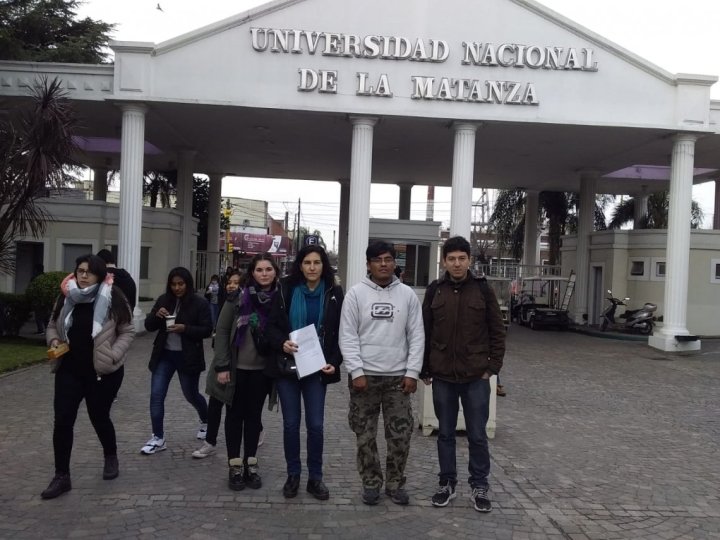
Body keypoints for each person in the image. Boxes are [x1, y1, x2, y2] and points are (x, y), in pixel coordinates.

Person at [421, 236, 506, 513]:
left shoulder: (483, 290)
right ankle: (446, 483)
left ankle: (479, 485)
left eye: (462, 258)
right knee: (445, 433)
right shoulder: (435, 291)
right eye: (451, 258)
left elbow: (497, 330)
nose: (457, 263)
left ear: (469, 260)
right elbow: (425, 330)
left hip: (475, 377)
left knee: (477, 435)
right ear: (444, 261)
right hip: (443, 376)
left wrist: (492, 368)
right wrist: (425, 367)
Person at [42, 254, 135, 499]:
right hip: (69, 370)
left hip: (102, 372)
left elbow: (127, 331)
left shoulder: (114, 296)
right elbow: (53, 323)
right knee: (62, 420)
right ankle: (61, 475)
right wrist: (53, 339)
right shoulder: (66, 295)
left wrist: (114, 355)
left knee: (99, 416)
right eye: (80, 270)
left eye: (89, 271)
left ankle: (110, 455)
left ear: (100, 275)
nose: (83, 275)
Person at [339, 241, 424, 506]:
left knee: (400, 435)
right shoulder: (355, 294)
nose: (384, 264)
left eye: (388, 259)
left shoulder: (407, 295)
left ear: (394, 263)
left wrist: (412, 372)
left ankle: (395, 482)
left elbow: (417, 335)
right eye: (377, 260)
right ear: (368, 264)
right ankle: (371, 482)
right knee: (365, 435)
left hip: (398, 379)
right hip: (364, 378)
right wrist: (356, 370)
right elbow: (348, 336)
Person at [265, 245, 344, 500]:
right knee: (290, 424)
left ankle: (315, 478)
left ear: (324, 266)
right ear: (300, 265)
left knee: (316, 426)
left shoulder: (334, 292)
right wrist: (281, 343)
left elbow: (342, 332)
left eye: (317, 263)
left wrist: (335, 361)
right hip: (289, 367)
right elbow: (271, 327)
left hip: (317, 368)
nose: (312, 267)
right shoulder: (286, 289)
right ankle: (293, 474)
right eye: (307, 262)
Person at [202, 255, 279, 490]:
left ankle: (251, 464)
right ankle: (235, 465)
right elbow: (223, 332)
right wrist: (223, 366)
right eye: (259, 269)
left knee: (254, 418)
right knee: (234, 417)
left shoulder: (280, 300)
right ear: (252, 273)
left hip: (262, 371)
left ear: (275, 272)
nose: (264, 273)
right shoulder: (237, 297)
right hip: (235, 370)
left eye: (268, 269)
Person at [141, 267, 212, 455]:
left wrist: (185, 328)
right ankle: (158, 437)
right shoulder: (164, 300)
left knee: (190, 394)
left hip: (188, 357)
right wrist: (156, 315)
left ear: (187, 284)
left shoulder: (199, 303)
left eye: (181, 284)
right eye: (173, 284)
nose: (177, 288)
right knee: (156, 395)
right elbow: (148, 326)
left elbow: (207, 329)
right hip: (164, 355)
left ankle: (206, 420)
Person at [192, 270, 243, 460]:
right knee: (215, 402)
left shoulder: (242, 302)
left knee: (235, 407)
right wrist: (222, 364)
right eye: (229, 282)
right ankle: (210, 441)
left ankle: (252, 434)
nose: (231, 285)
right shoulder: (226, 302)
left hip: (239, 364)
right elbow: (220, 332)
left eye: (236, 283)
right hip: (222, 362)